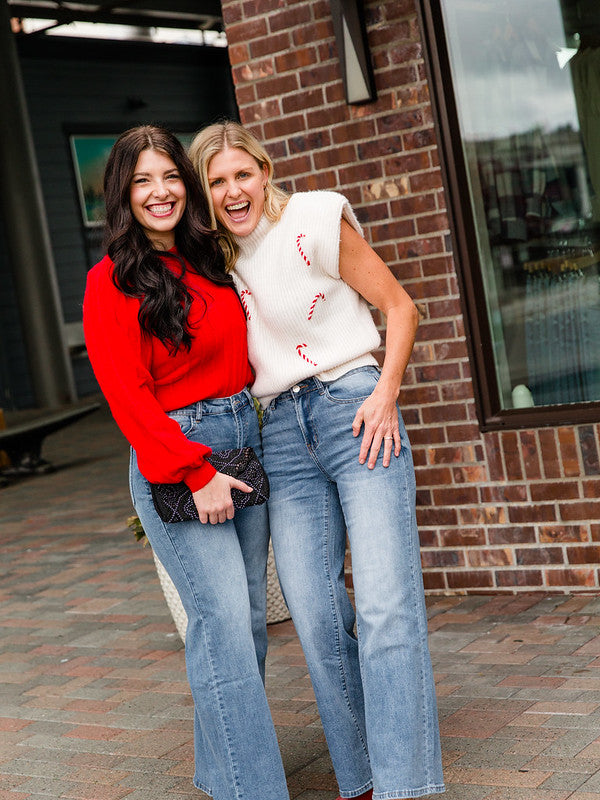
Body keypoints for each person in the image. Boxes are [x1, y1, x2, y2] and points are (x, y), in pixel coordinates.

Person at [189, 121, 445, 800]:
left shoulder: (314, 216)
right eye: (215, 182)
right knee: (314, 614)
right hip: (280, 435)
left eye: (242, 173)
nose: (232, 190)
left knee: (388, 604)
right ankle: (360, 778)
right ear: (205, 195)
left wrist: (386, 393)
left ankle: (404, 786)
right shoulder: (215, 263)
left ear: (265, 172)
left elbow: (399, 306)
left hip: (355, 410)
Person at [82, 125, 290, 800]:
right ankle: (252, 790)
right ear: (124, 193)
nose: (160, 191)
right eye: (142, 180)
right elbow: (127, 396)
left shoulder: (211, 261)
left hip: (243, 440)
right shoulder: (110, 280)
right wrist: (193, 471)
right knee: (223, 625)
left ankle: (222, 775)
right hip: (181, 453)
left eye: (170, 175)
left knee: (244, 628)